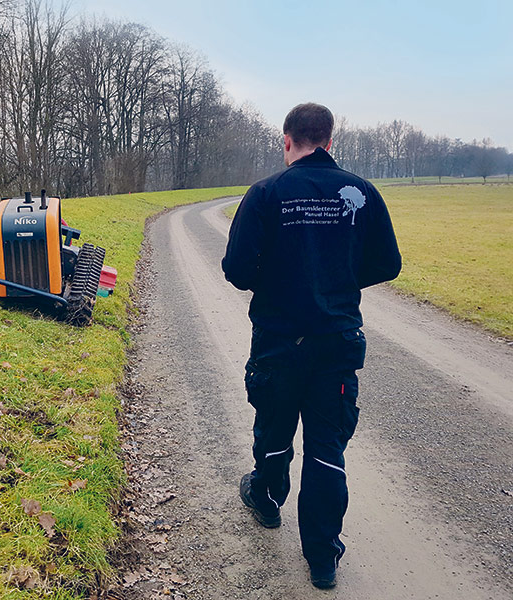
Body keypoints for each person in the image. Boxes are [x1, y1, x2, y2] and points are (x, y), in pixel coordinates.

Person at [221, 103, 402, 589]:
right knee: (326, 451)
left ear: (287, 141)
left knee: (275, 433)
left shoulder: (265, 194)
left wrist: (279, 282)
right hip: (336, 343)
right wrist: (336, 279)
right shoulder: (363, 193)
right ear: (328, 139)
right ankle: (322, 558)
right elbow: (388, 265)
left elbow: (236, 269)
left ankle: (267, 500)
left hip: (278, 343)